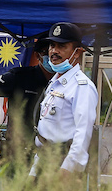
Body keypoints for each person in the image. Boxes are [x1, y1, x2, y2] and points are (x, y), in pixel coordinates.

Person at [0, 36, 54, 175]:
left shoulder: (65, 82)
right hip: (17, 153)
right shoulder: (21, 77)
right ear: (37, 55)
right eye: (45, 52)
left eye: (53, 51)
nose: (50, 56)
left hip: (49, 154)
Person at [30, 22, 99, 179]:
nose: (54, 51)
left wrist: (69, 169)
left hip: (63, 165)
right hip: (43, 162)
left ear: (77, 52)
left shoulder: (82, 86)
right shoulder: (54, 83)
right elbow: (45, 131)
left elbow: (83, 132)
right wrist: (34, 172)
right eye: (52, 45)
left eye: (61, 46)